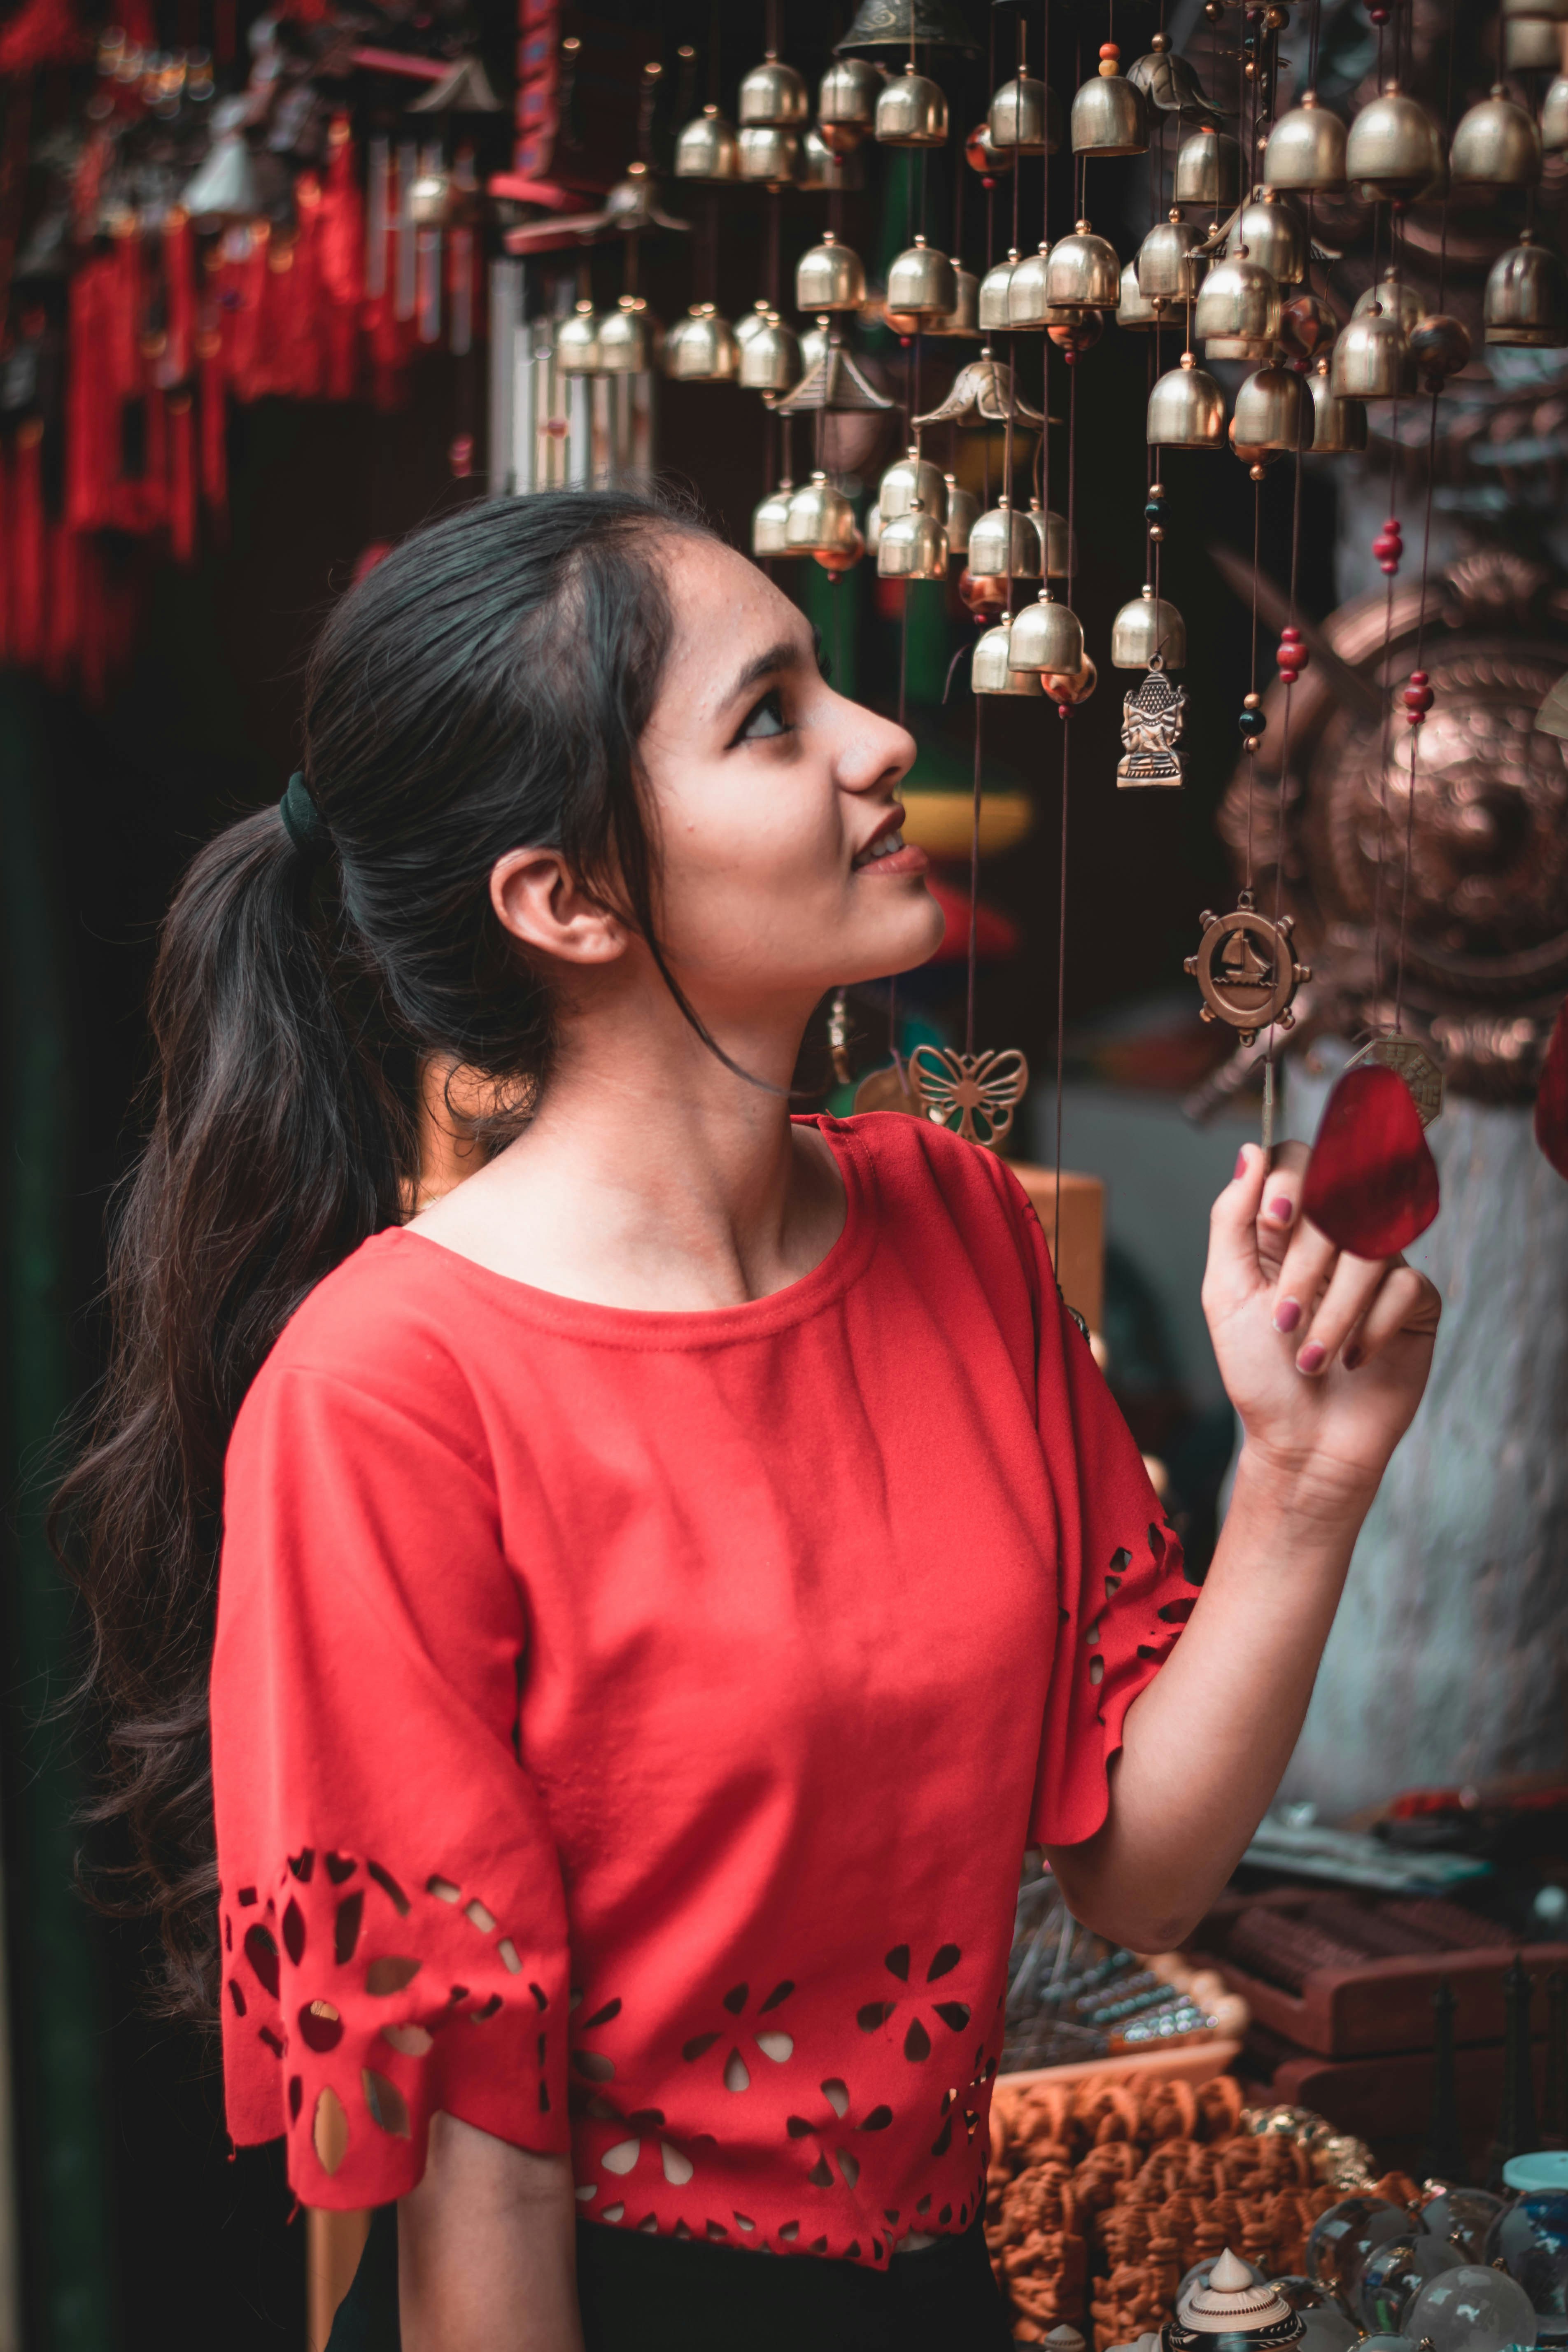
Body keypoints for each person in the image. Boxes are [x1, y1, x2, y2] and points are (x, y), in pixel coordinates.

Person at [60, 489, 1440, 2352]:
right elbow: (482, 2160)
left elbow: (1139, 1871)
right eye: (770, 713)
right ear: (568, 897)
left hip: (944, 2292)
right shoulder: (388, 1391)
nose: (882, 745)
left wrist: (1301, 1477)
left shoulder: (952, 1220)